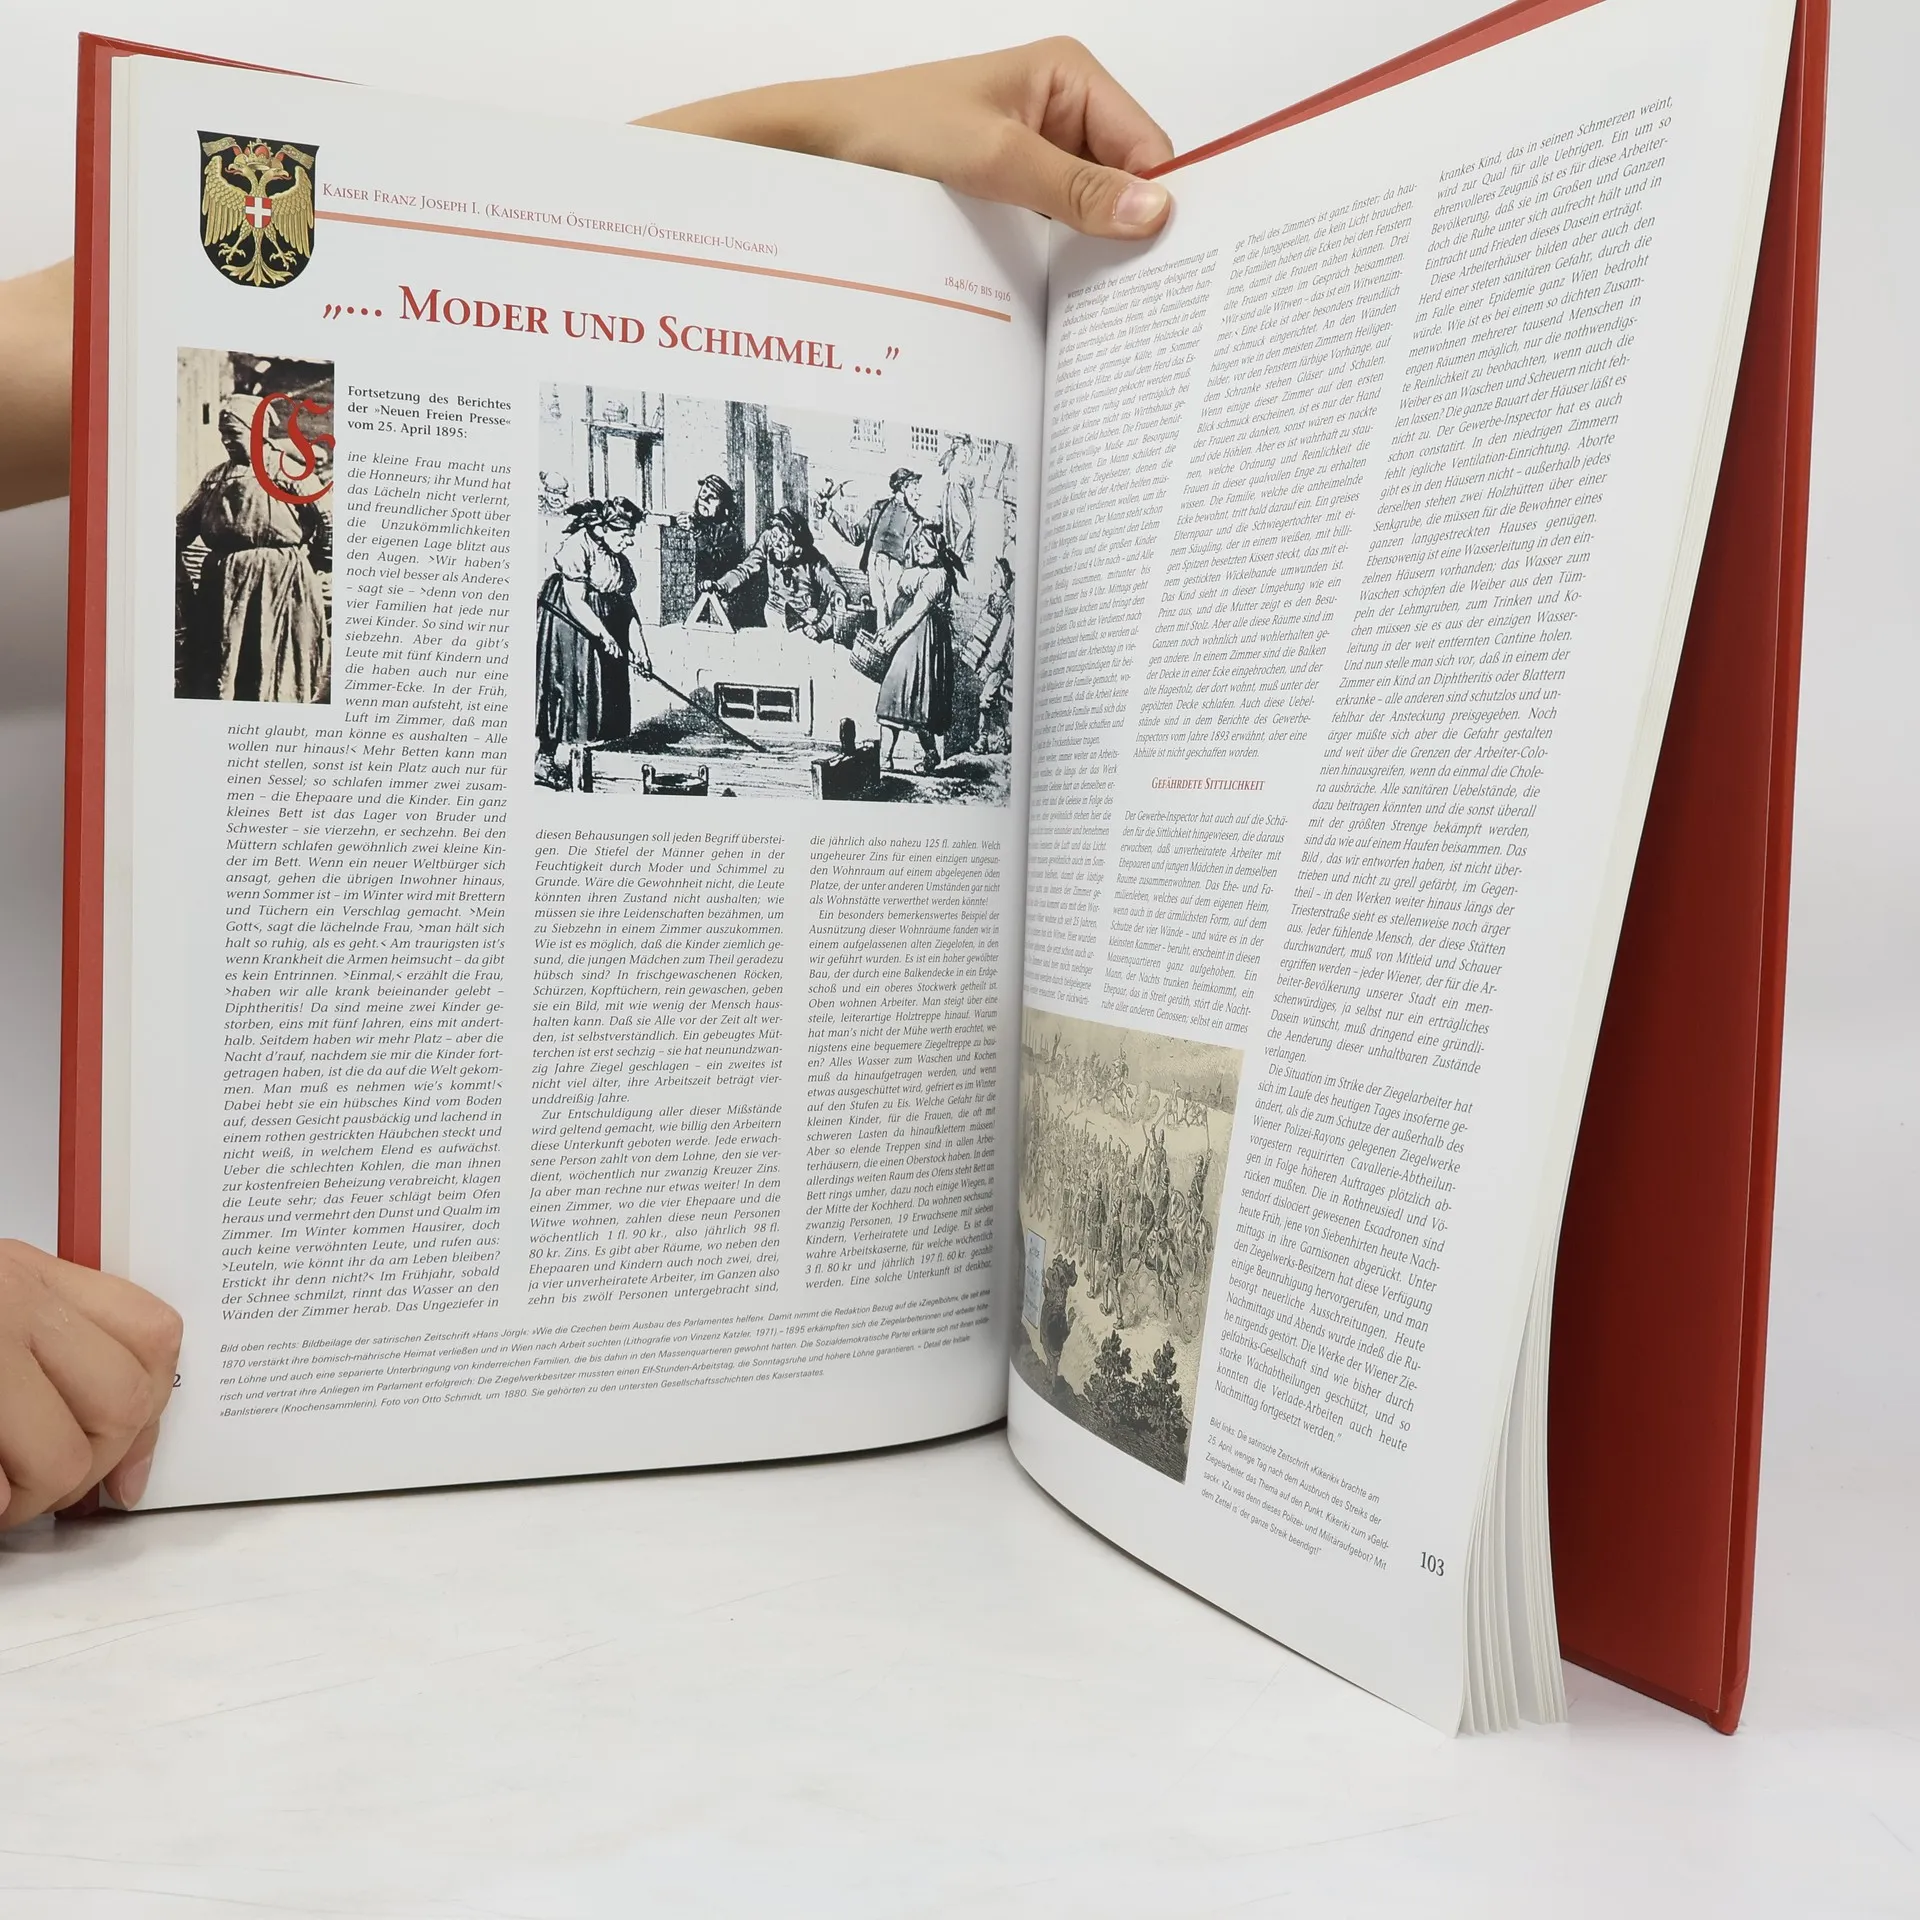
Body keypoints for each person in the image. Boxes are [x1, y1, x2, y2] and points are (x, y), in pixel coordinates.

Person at [0, 37, 1173, 1529]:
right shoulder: (597, 547)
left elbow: (226, 300)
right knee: (599, 720)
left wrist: (806, 146)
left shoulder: (793, 549)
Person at [175, 393, 332, 702]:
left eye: (233, 433)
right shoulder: (216, 478)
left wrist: (320, 561)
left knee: (276, 660)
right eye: (222, 434)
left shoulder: (286, 470)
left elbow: (326, 516)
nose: (226, 441)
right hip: (224, 584)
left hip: (280, 581)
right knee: (226, 661)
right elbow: (182, 527)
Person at [534, 497, 651, 789]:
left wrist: (640, 651)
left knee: (600, 693)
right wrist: (604, 635)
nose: (629, 542)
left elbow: (628, 610)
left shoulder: (619, 560)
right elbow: (575, 601)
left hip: (606, 622)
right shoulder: (578, 546)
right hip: (570, 625)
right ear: (606, 528)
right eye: (625, 535)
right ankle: (545, 760)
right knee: (568, 686)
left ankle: (586, 762)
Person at [872, 520, 965, 772]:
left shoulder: (938, 576)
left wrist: (893, 636)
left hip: (923, 644)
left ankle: (929, 755)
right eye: (919, 545)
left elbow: (916, 612)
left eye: (927, 546)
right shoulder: (918, 571)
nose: (921, 549)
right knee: (893, 698)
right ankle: (885, 759)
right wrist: (889, 628)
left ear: (938, 550)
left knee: (915, 703)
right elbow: (902, 600)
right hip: (907, 640)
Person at [709, 506, 849, 640]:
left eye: (783, 541)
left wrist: (821, 627)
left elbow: (838, 594)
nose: (775, 544)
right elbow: (746, 568)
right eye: (774, 536)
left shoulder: (814, 560)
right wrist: (721, 585)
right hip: (772, 615)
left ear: (798, 549)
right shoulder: (768, 539)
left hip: (803, 625)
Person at [819, 466, 924, 626]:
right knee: (880, 610)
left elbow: (919, 553)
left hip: (897, 567)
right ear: (903, 487)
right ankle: (881, 639)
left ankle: (894, 641)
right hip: (874, 562)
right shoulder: (878, 508)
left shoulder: (916, 520)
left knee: (895, 610)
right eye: (914, 487)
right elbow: (855, 535)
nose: (918, 493)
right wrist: (830, 513)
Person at [686, 473, 757, 627]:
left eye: (712, 497)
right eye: (704, 493)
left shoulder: (731, 533)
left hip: (721, 598)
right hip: (697, 597)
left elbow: (716, 560)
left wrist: (698, 534)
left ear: (723, 505)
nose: (704, 499)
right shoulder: (699, 523)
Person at [975, 555, 1016, 753]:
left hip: (1000, 666)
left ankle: (982, 740)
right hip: (989, 662)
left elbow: (1000, 643)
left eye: (994, 574)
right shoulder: (992, 602)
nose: (991, 577)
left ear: (1002, 578)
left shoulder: (1007, 609)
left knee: (986, 699)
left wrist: (988, 666)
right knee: (993, 700)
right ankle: (1003, 741)